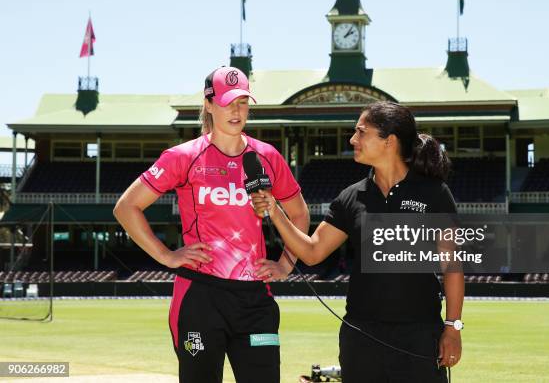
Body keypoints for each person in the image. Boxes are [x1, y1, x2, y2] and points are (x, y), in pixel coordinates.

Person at [113, 66, 309, 383]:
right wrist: (166, 256)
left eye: (243, 102)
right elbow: (127, 207)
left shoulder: (267, 157)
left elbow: (299, 213)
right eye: (227, 101)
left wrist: (286, 263)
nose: (236, 110)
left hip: (255, 299)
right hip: (199, 298)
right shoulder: (183, 156)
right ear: (208, 104)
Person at [252, 101, 464, 383]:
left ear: (389, 141)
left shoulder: (435, 194)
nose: (353, 140)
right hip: (360, 337)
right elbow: (313, 252)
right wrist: (276, 211)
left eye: (361, 132)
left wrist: (452, 327)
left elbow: (452, 267)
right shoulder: (351, 197)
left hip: (420, 336)